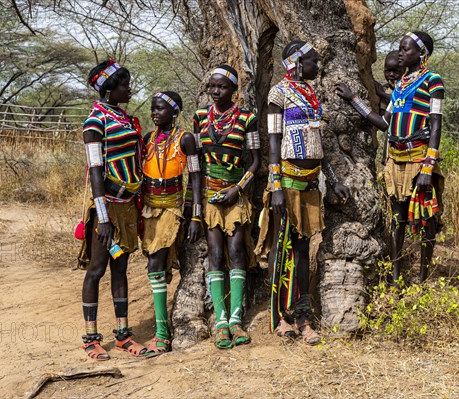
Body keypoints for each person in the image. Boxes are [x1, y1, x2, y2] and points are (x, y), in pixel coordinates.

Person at [255, 40, 351, 345]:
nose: (316, 66)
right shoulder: (278, 93)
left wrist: (332, 180)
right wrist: (277, 185)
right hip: (288, 184)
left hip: (310, 186)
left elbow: (317, 147)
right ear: (295, 62)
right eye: (312, 61)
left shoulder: (311, 95)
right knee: (280, 250)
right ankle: (281, 317)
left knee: (301, 251)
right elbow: (273, 140)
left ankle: (304, 317)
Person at [335, 31, 445, 287]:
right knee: (398, 219)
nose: (401, 53)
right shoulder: (401, 86)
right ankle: (396, 279)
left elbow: (436, 125)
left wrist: (429, 166)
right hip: (395, 160)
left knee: (425, 219)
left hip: (420, 160)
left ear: (422, 54)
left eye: (406, 49)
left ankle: (424, 279)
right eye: (400, 48)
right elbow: (385, 122)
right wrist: (354, 100)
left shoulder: (433, 81)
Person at [78, 60, 146, 360]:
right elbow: (95, 170)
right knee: (96, 269)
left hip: (127, 207)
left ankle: (123, 334)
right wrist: (103, 218)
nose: (128, 88)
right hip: (105, 208)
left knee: (121, 268)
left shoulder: (126, 119)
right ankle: (91, 338)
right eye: (123, 84)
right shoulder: (95, 121)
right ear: (108, 89)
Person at [193, 65, 261, 349]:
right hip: (209, 196)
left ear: (234, 90)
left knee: (236, 252)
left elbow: (257, 162)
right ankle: (220, 322)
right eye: (212, 86)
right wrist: (195, 208)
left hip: (235, 195)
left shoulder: (248, 118)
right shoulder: (199, 118)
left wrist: (238, 189)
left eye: (222, 86)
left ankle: (236, 320)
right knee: (216, 255)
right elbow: (195, 163)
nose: (216, 91)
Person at [140, 91, 202, 357]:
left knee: (157, 262)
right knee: (156, 265)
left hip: (174, 209)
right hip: (150, 210)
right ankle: (162, 328)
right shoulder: (148, 139)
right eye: (153, 109)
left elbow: (196, 178)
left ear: (174, 112)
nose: (155, 113)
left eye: (161, 109)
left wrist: (195, 214)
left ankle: (162, 334)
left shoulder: (185, 139)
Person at [375, 50, 404, 115]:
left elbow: (401, 101)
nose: (391, 74)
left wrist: (382, 94)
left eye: (396, 71)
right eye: (388, 71)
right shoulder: (385, 88)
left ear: (403, 70)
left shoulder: (407, 86)